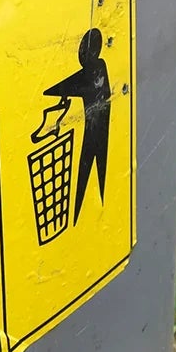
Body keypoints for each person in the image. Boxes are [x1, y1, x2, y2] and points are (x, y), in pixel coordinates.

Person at [42, 28, 113, 225]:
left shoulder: (95, 68)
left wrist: (52, 92)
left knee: (91, 164)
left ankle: (88, 210)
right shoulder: (99, 66)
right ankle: (83, 211)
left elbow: (72, 84)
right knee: (91, 165)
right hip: (97, 120)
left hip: (98, 123)